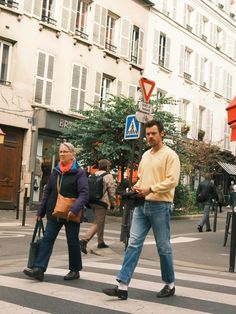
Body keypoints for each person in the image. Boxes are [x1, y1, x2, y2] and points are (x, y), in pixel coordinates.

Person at [102, 119, 180, 300]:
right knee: (133, 244)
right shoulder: (145, 155)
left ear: (162, 134)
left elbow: (172, 181)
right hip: (141, 204)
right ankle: (122, 285)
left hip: (161, 205)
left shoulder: (171, 155)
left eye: (153, 133)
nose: (150, 137)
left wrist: (150, 189)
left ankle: (170, 284)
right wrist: (136, 188)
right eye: (148, 134)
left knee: (163, 247)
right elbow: (142, 179)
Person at [23, 142, 89, 281]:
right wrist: (40, 212)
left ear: (72, 154)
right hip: (53, 212)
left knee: (72, 241)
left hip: (71, 213)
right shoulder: (56, 171)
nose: (62, 154)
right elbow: (47, 192)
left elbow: (84, 194)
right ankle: (39, 269)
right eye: (60, 152)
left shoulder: (78, 172)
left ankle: (75, 269)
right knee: (47, 240)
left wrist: (75, 209)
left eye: (65, 152)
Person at [80, 159, 116, 254]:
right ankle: (84, 240)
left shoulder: (93, 174)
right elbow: (112, 191)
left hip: (91, 201)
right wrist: (113, 204)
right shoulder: (108, 176)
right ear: (107, 166)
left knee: (101, 221)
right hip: (101, 202)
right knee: (98, 222)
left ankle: (100, 242)